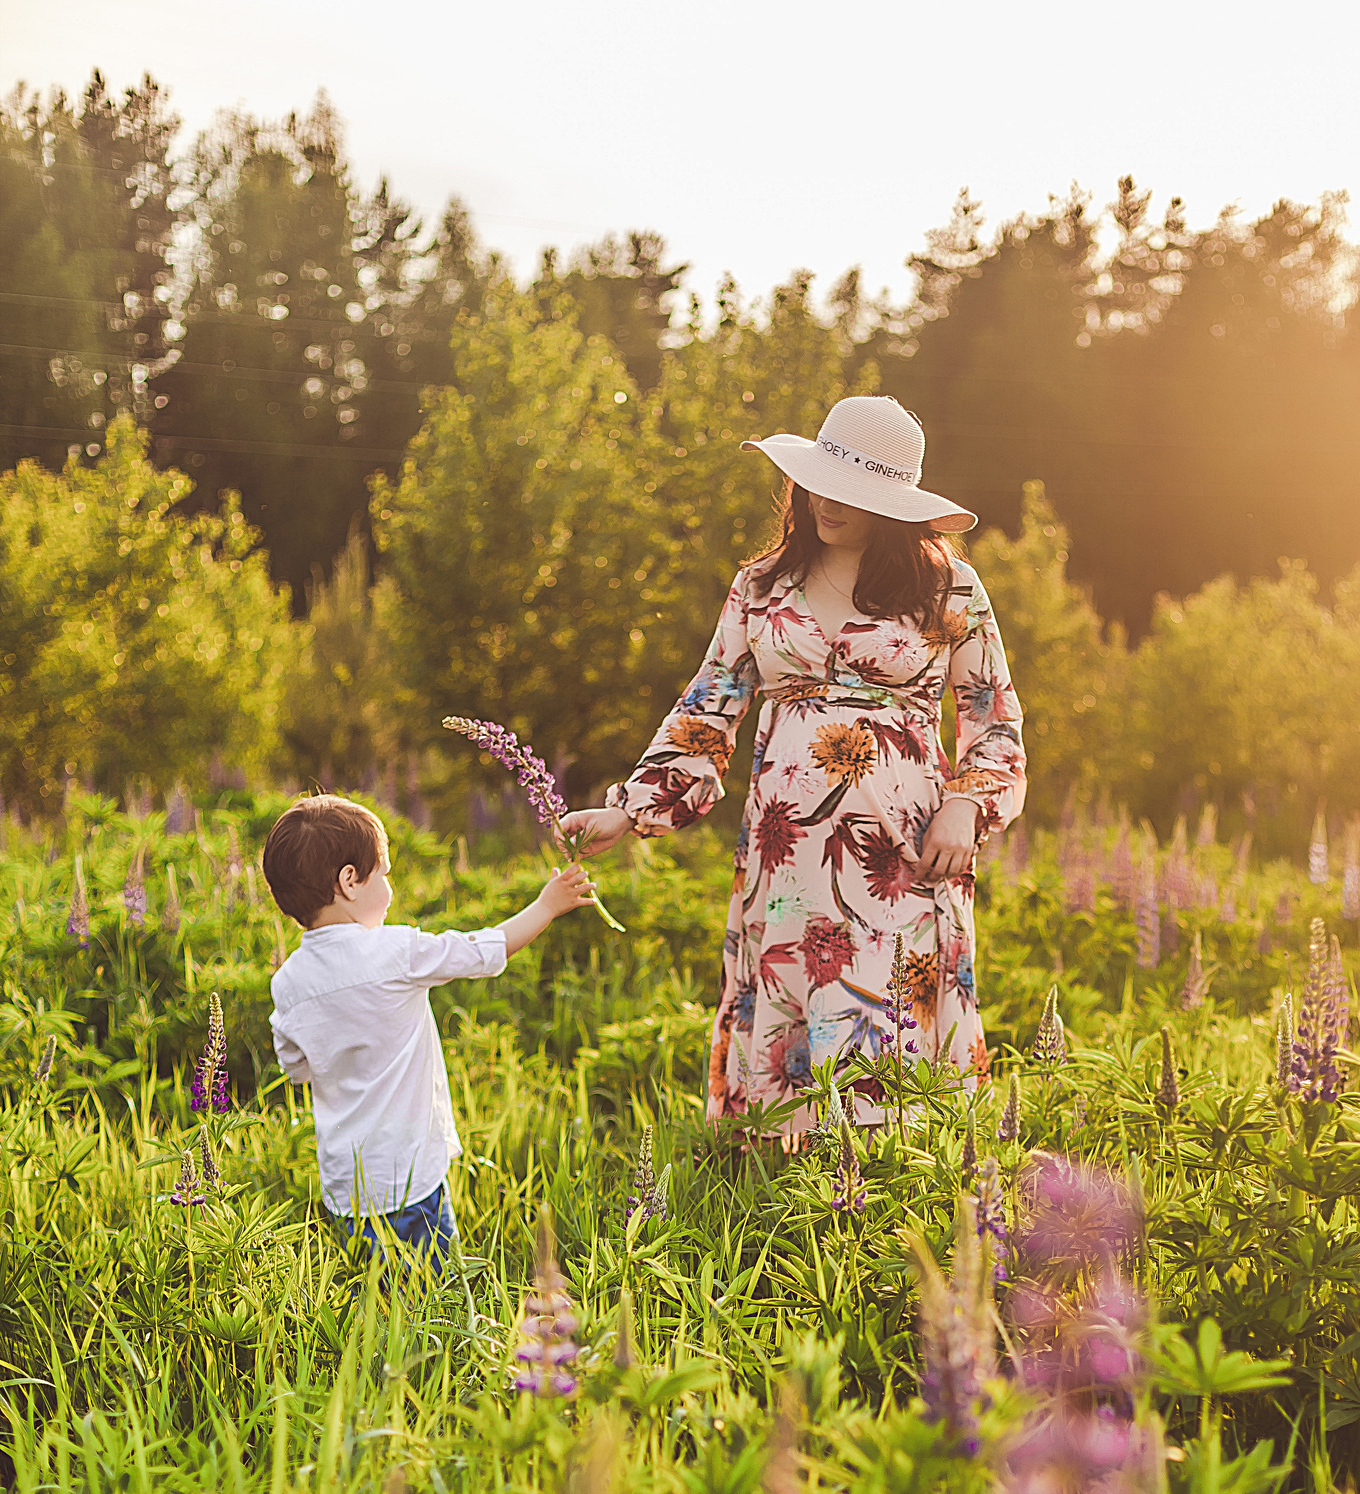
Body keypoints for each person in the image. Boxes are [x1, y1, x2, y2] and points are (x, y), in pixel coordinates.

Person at [562, 395, 1026, 1137]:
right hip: (787, 858)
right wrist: (629, 809)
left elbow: (993, 719)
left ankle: (890, 1201)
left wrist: (968, 805)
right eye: (814, 482)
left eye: (849, 492)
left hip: (904, 853)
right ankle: (784, 1198)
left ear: (893, 505)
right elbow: (709, 707)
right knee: (788, 1011)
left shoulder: (950, 588)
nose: (822, 502)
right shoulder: (762, 585)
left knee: (891, 1023)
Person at [262, 794, 592, 1267]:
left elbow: (295, 1069)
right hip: (412, 1178)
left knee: (375, 1302)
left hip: (347, 1188)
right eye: (385, 872)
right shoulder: (396, 952)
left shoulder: (288, 983)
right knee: (434, 1301)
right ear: (350, 881)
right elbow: (483, 951)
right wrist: (547, 905)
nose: (390, 888)